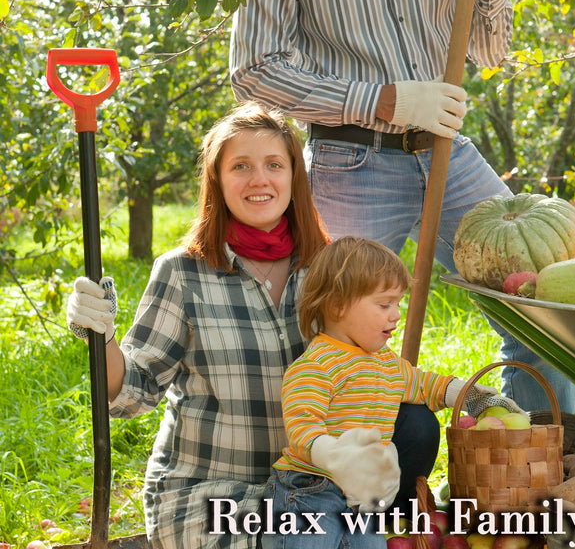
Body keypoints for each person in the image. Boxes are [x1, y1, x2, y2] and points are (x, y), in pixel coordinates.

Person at [229, 0, 575, 415]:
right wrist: (383, 99)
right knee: (335, 338)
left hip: (447, 150)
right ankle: (340, 491)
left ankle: (533, 468)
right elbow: (253, 68)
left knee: (537, 307)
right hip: (348, 164)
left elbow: (491, 51)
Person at [65, 102, 439, 549]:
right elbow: (131, 393)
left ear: (294, 177)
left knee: (415, 425)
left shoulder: (331, 270)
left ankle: (362, 530)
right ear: (217, 182)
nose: (259, 179)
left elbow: (372, 374)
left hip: (315, 488)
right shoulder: (183, 273)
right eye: (240, 166)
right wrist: (100, 334)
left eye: (274, 165)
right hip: (211, 496)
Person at [264, 236, 523, 549]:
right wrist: (335, 454)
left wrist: (475, 398)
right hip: (311, 486)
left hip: (364, 493)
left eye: (397, 303)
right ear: (337, 305)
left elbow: (429, 386)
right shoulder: (316, 365)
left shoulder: (387, 363)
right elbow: (302, 427)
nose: (396, 314)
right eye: (384, 304)